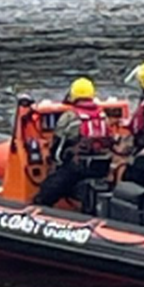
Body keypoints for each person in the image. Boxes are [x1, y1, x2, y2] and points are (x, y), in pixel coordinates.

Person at [33, 77, 113, 207]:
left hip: (77, 169)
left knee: (46, 193)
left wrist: (53, 160)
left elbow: (57, 148)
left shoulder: (70, 117)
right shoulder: (103, 116)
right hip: (101, 168)